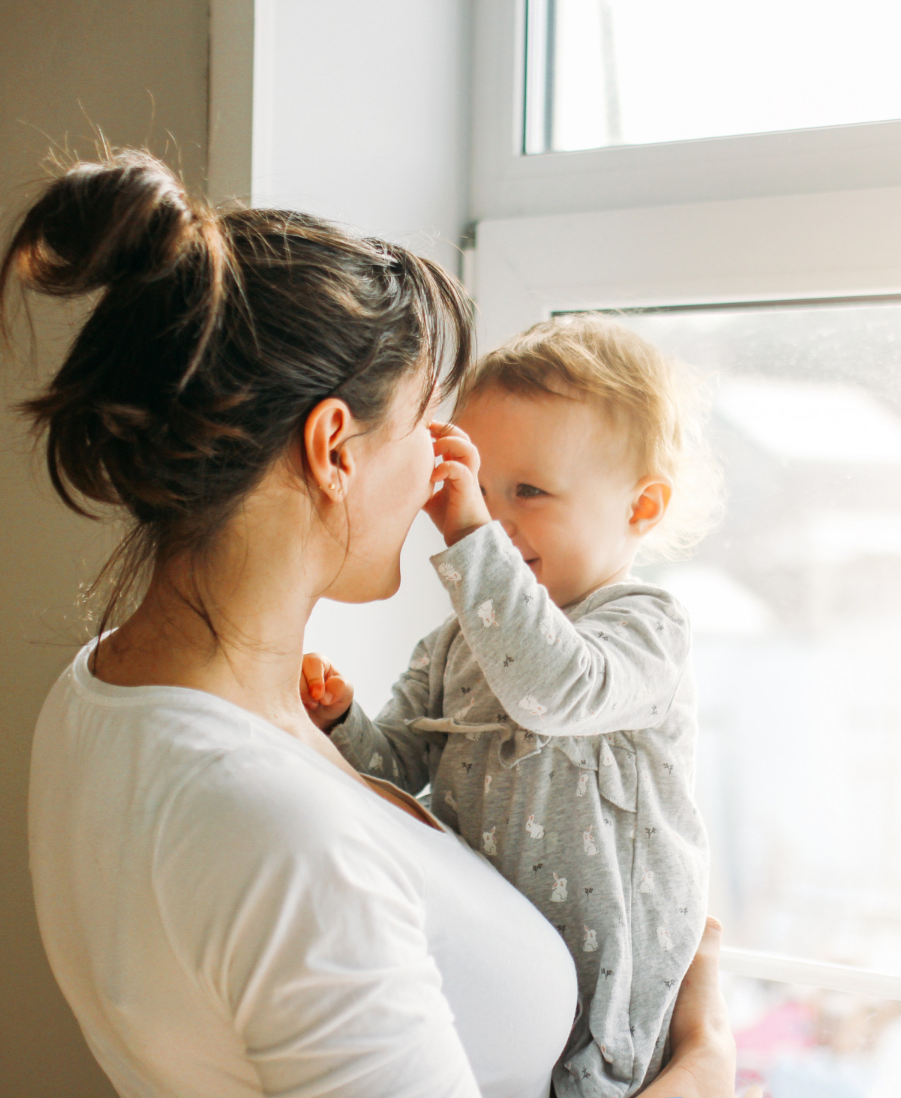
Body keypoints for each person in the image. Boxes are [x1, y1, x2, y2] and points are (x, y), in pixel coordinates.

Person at [0, 147, 734, 1098]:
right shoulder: (276, 831)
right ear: (334, 450)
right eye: (434, 425)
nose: (448, 473)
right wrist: (707, 1068)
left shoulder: (101, 689)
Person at [301, 317, 720, 1098]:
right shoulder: (460, 640)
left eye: (528, 491)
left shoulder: (644, 627)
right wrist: (341, 723)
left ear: (641, 508)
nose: (492, 518)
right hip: (501, 976)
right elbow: (396, 771)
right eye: (477, 488)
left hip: (614, 997)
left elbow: (554, 688)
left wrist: (466, 531)